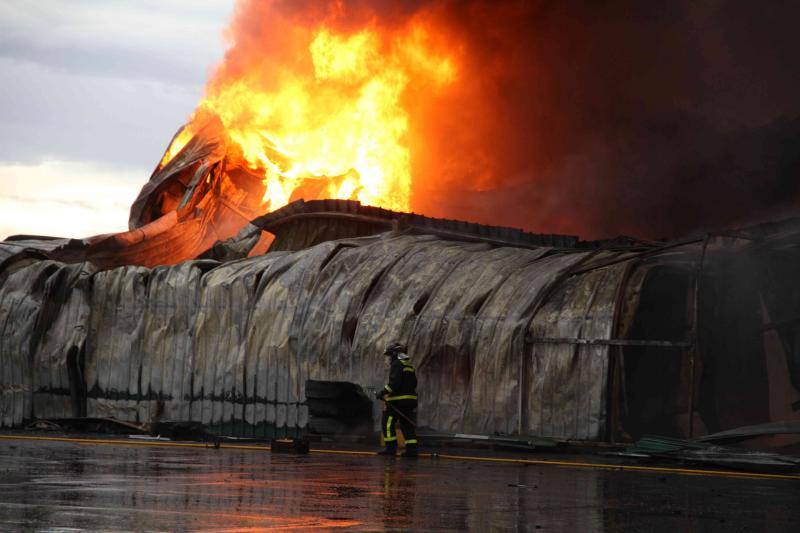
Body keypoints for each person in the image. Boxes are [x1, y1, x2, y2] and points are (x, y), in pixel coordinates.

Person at [376, 342, 418, 457]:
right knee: (407, 424)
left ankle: (390, 449)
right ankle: (412, 450)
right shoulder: (409, 365)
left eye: (390, 355)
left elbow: (394, 384)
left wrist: (382, 392)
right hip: (410, 401)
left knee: (388, 423)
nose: (389, 358)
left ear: (395, 354)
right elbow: (414, 383)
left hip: (398, 400)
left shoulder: (397, 364)